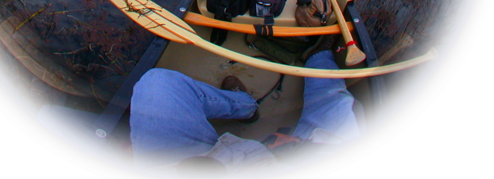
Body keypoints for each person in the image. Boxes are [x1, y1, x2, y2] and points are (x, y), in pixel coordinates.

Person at [129, 43, 361, 177]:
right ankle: (318, 54)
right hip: (302, 156)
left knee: (157, 83)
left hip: (188, 169)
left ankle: (246, 106)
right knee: (335, 101)